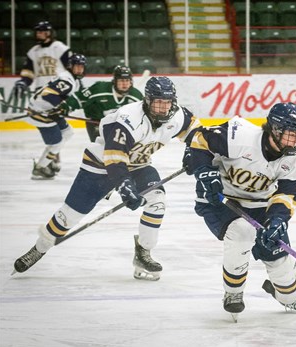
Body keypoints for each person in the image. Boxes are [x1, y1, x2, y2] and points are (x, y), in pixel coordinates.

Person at [13, 77, 201, 281]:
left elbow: (196, 130)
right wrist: (125, 186)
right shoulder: (128, 118)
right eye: (158, 102)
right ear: (147, 100)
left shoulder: (177, 115)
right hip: (100, 165)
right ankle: (40, 248)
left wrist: (193, 151)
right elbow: (114, 157)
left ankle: (143, 253)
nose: (164, 108)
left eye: (168, 102)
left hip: (138, 165)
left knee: (157, 201)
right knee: (69, 216)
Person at [183, 102, 296, 318]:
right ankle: (233, 293)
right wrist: (203, 169)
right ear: (274, 130)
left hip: (260, 205)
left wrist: (276, 220)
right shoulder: (239, 137)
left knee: (278, 254)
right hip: (221, 199)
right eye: (290, 134)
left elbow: (286, 197)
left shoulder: (295, 162)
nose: (295, 140)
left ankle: (289, 298)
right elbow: (200, 139)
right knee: (241, 233)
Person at [26, 53, 87, 180]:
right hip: (40, 111)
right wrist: (56, 107)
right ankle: (40, 168)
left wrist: (58, 108)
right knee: (56, 143)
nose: (80, 69)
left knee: (68, 132)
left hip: (48, 110)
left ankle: (49, 160)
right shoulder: (67, 80)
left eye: (82, 66)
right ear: (71, 66)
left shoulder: (71, 78)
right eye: (77, 66)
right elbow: (48, 95)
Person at [56, 65, 144, 142]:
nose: (124, 84)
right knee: (100, 149)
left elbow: (143, 114)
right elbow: (79, 98)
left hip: (120, 126)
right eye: (121, 81)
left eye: (127, 81)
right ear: (114, 81)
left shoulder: (136, 96)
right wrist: (65, 107)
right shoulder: (100, 89)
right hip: (96, 123)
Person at [13, 21, 71, 101]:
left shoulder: (61, 48)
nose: (37, 34)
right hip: (41, 90)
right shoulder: (33, 52)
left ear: (48, 33)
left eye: (40, 32)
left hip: (59, 89)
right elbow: (28, 72)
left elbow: (71, 70)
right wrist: (24, 82)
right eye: (37, 32)